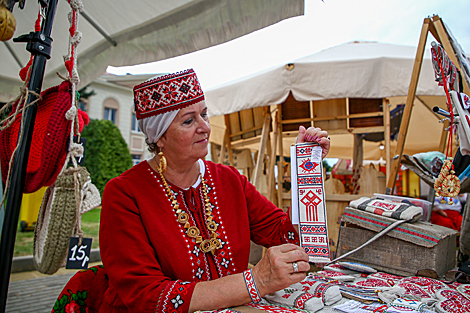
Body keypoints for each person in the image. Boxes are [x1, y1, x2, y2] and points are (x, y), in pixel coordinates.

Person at [99, 69, 330, 313]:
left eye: (204, 115)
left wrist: (305, 175)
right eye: (189, 120)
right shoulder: (125, 193)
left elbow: (284, 235)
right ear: (159, 137)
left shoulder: (229, 180)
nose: (205, 127)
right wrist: (257, 281)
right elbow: (146, 295)